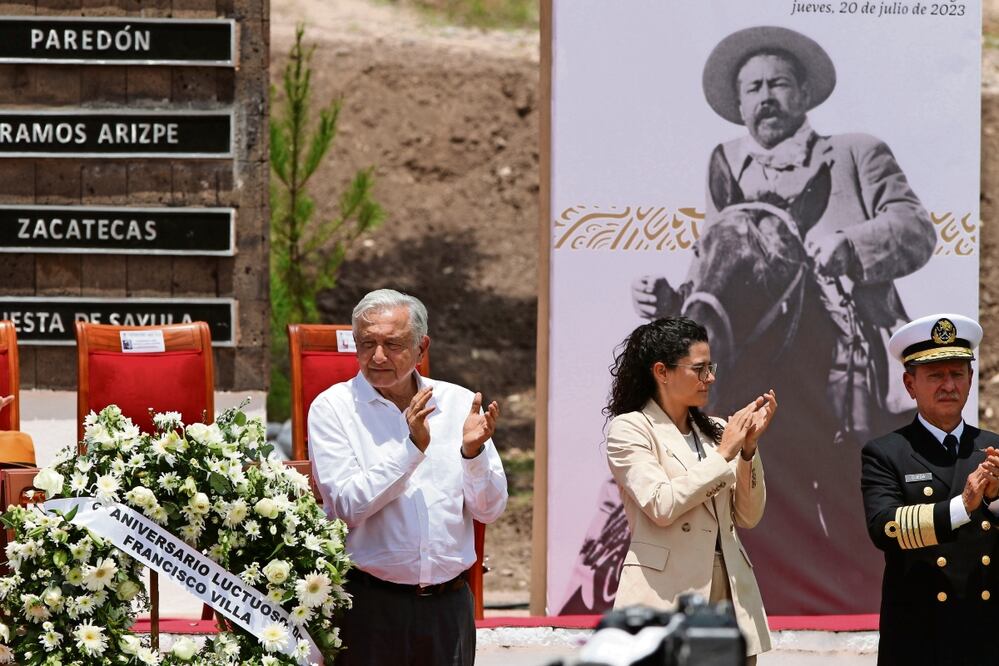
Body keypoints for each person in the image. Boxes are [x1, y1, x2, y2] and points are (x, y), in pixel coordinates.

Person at [634, 25, 935, 443]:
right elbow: (716, 265)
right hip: (753, 353)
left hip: (847, 348)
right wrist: (673, 299)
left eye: (778, 83)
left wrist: (849, 245)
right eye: (753, 88)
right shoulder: (726, 162)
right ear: (740, 104)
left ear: (805, 93)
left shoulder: (857, 152)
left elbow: (915, 229)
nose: (766, 97)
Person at [308, 289, 508, 666]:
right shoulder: (334, 408)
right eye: (366, 343)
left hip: (448, 608)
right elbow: (347, 506)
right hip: (369, 607)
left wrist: (473, 454)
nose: (378, 356)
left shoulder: (457, 404)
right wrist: (411, 449)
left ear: (421, 346)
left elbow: (490, 510)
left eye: (392, 344)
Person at [604, 316, 775, 664]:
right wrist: (726, 452)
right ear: (662, 372)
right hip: (666, 597)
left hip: (730, 593)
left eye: (710, 367)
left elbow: (749, 515)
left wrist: (747, 451)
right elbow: (661, 504)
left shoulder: (716, 430)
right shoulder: (630, 428)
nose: (709, 378)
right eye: (699, 369)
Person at [861, 313, 999, 665]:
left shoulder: (994, 448)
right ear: (910, 384)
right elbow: (884, 528)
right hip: (919, 638)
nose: (948, 385)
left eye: (957, 374)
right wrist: (962, 506)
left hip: (986, 634)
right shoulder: (886, 452)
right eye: (935, 375)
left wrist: (996, 500)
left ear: (970, 379)